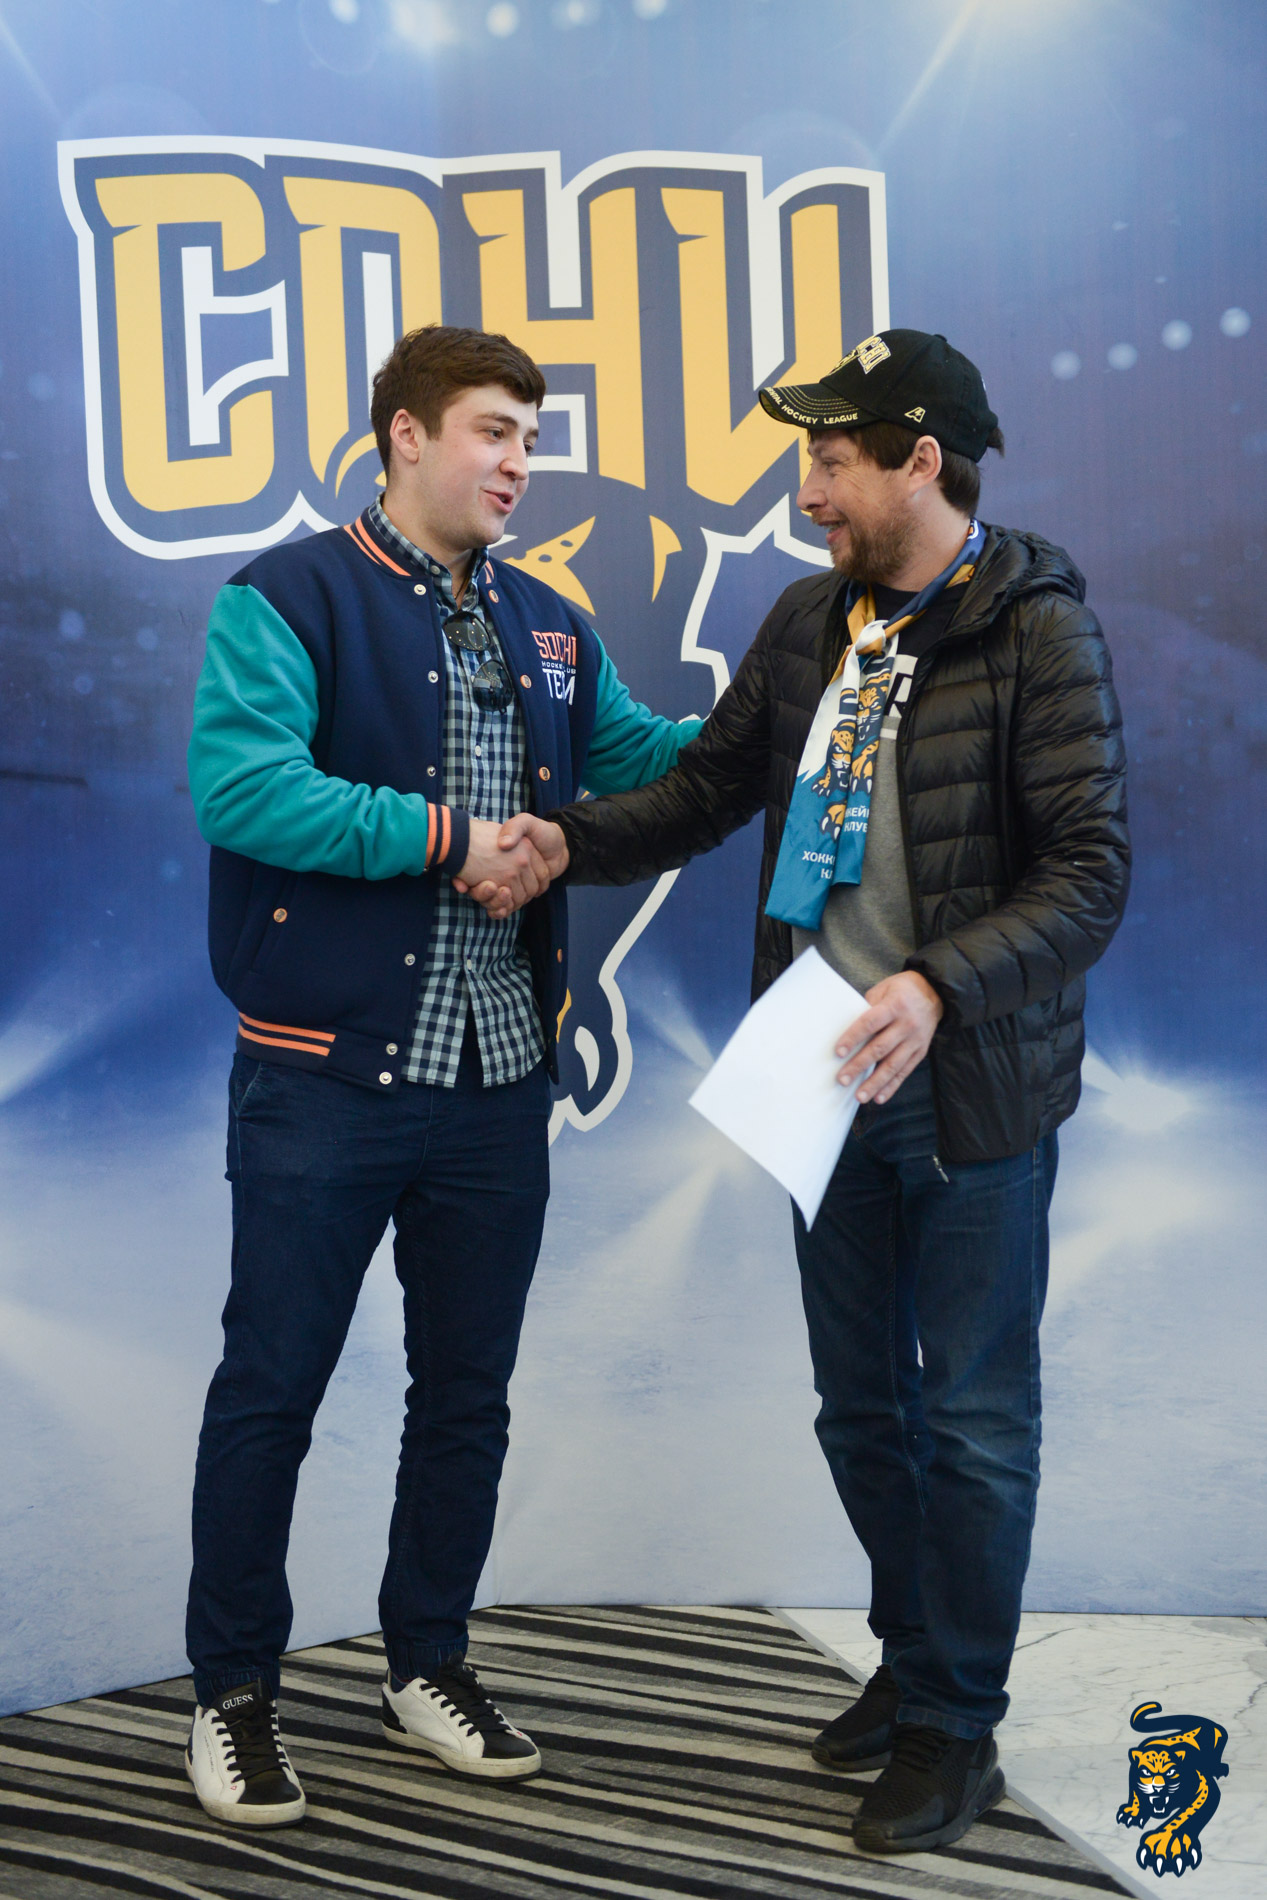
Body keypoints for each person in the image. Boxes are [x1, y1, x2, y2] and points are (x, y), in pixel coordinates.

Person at [488, 330, 1130, 1856]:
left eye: (832, 462)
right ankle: (915, 1660)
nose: (808, 492)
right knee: (862, 1410)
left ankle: (956, 1727)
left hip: (967, 1096)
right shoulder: (805, 619)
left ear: (923, 461)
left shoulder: (1038, 631)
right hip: (817, 1083)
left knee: (973, 1421)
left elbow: (1089, 875)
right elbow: (710, 791)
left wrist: (938, 984)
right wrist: (571, 841)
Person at [182, 324, 702, 1827]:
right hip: (323, 1077)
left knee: (466, 1395)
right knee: (271, 1387)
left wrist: (795, 719)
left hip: (498, 1084)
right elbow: (244, 788)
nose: (519, 465)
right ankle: (233, 1693)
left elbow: (648, 759)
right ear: (404, 436)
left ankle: (428, 1664)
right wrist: (449, 839)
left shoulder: (551, 626)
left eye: (529, 439)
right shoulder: (287, 596)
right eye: (492, 431)